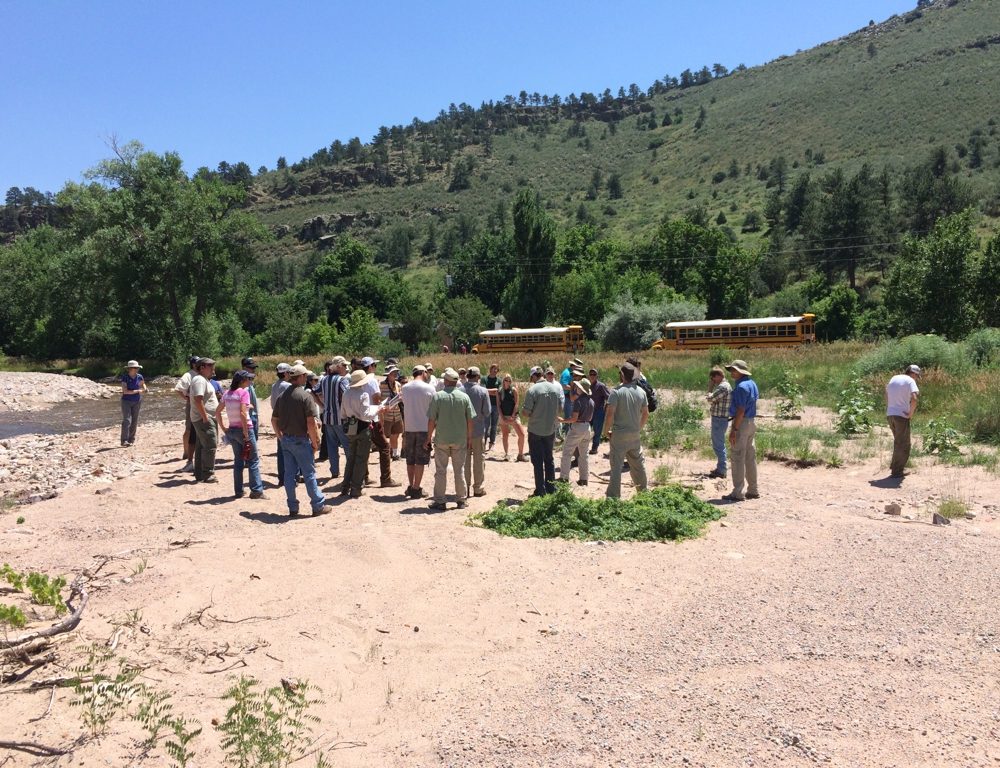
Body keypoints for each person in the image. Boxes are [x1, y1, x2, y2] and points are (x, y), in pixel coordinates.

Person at [271, 364, 333, 516]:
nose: (307, 378)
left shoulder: (282, 396)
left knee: (289, 474)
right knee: (309, 474)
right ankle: (317, 506)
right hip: (301, 439)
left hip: (286, 439)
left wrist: (280, 436)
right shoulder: (305, 396)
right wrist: (315, 441)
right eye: (305, 376)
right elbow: (311, 422)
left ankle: (293, 507)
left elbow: (274, 420)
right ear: (300, 377)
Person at [425, 367, 475, 510]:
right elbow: (470, 420)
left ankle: (440, 500)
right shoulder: (464, 397)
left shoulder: (438, 396)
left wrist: (428, 438)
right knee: (459, 470)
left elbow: (431, 420)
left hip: (442, 439)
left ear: (446, 381)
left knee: (441, 471)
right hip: (460, 439)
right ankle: (461, 500)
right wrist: (469, 438)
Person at [603, 362, 649, 499]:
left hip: (619, 435)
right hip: (634, 434)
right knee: (638, 465)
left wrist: (606, 431)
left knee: (616, 467)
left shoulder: (616, 392)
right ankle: (643, 494)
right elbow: (646, 413)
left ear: (622, 375)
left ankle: (613, 497)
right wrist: (638, 428)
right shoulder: (641, 392)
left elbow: (610, 414)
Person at [217, 369, 265, 500]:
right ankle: (256, 491)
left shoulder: (227, 393)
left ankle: (238, 491)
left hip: (232, 429)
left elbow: (217, 412)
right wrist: (245, 432)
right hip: (244, 429)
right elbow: (243, 414)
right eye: (248, 379)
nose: (250, 381)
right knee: (253, 460)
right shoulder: (243, 393)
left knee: (238, 461)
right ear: (242, 381)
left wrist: (224, 428)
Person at [340, 369, 384, 499]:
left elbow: (342, 412)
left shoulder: (346, 393)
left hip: (350, 426)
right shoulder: (363, 394)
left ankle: (345, 486)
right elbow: (365, 415)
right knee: (361, 459)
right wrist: (378, 410)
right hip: (362, 428)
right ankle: (356, 488)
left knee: (351, 458)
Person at [521, 365, 564, 497]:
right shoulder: (555, 388)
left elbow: (525, 413)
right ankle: (551, 488)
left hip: (535, 430)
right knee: (549, 459)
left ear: (534, 376)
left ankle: (540, 490)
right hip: (550, 429)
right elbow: (561, 409)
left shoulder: (532, 390)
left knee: (537, 461)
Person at [360, 356, 400, 488]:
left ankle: (364, 477)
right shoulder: (372, 381)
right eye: (374, 365)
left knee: (364, 449)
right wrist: (381, 418)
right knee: (384, 447)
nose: (375, 368)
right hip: (373, 418)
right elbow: (377, 401)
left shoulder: (358, 379)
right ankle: (386, 478)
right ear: (370, 367)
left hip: (361, 418)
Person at [723, 359, 760, 502]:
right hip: (751, 422)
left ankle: (737, 492)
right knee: (750, 457)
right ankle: (753, 490)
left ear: (740, 372)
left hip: (742, 423)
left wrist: (734, 429)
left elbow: (740, 411)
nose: (732, 372)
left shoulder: (741, 388)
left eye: (734, 370)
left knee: (737, 457)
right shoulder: (752, 384)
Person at [400, 364, 436, 499]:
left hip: (409, 428)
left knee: (410, 459)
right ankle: (416, 488)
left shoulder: (405, 388)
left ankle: (411, 485)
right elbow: (433, 409)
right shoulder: (429, 388)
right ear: (423, 372)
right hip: (423, 428)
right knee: (420, 460)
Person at [886, 364, 921, 479]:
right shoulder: (910, 381)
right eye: (917, 376)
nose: (916, 378)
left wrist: (890, 407)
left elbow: (886, 393)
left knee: (898, 442)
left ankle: (894, 467)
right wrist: (910, 414)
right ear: (914, 374)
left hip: (890, 414)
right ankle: (897, 472)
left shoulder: (894, 378)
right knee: (904, 444)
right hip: (901, 416)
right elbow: (915, 399)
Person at [189, 358, 221, 484]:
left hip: (205, 417)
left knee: (202, 445)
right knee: (210, 444)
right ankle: (208, 474)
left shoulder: (204, 380)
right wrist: (205, 417)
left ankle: (200, 474)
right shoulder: (199, 380)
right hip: (203, 418)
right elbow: (198, 399)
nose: (213, 369)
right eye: (210, 367)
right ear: (202, 367)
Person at [462, 366, 491, 498]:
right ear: (478, 377)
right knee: (479, 460)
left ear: (467, 376)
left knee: (464, 460)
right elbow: (487, 411)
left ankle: (465, 487)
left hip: (462, 432)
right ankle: (478, 488)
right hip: (478, 430)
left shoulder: (460, 390)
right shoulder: (483, 391)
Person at [318, 356, 349, 480]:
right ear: (339, 366)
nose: (346, 368)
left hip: (327, 417)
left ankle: (335, 471)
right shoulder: (342, 380)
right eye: (344, 366)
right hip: (340, 418)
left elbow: (313, 391)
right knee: (347, 446)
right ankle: (349, 472)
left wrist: (322, 405)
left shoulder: (324, 379)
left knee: (331, 446)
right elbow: (347, 395)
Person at [559, 378, 594, 486]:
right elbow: (591, 417)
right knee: (584, 454)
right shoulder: (591, 401)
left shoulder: (579, 401)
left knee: (567, 452)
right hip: (587, 427)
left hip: (577, 427)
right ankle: (584, 479)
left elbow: (574, 419)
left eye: (578, 387)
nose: (576, 388)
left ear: (581, 389)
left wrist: (563, 420)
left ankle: (564, 478)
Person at [174, 355, 201, 471]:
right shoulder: (188, 375)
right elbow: (178, 388)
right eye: (198, 363)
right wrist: (186, 398)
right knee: (189, 429)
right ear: (193, 364)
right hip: (192, 404)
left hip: (200, 403)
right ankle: (186, 451)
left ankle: (194, 451)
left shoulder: (201, 374)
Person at [706, 365, 732, 479]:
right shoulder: (724, 386)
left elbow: (710, 399)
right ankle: (721, 468)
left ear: (719, 376)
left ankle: (722, 470)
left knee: (718, 444)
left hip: (719, 419)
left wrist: (710, 389)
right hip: (720, 418)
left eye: (713, 378)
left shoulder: (723, 387)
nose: (713, 381)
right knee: (718, 444)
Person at [270, 362, 293, 487]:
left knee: (280, 448)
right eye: (289, 372)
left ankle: (282, 477)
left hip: (277, 418)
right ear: (285, 373)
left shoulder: (274, 385)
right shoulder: (287, 386)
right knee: (290, 448)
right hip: (286, 419)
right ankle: (290, 477)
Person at [497, 372, 526, 462]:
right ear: (503, 381)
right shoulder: (499, 391)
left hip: (513, 415)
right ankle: (506, 454)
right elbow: (498, 405)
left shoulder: (513, 390)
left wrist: (513, 415)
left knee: (521, 434)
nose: (508, 382)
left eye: (510, 380)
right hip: (503, 415)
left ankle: (520, 454)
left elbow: (516, 403)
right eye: (506, 380)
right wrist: (502, 417)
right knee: (505, 435)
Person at [120, 360, 147, 447]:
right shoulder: (125, 377)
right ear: (130, 369)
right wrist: (138, 391)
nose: (137, 369)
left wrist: (145, 388)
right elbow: (125, 391)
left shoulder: (139, 376)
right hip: (126, 401)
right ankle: (124, 440)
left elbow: (143, 384)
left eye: (137, 368)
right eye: (135, 368)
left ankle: (131, 439)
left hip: (137, 401)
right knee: (127, 420)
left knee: (134, 420)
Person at [380, 364, 404, 459]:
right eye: (393, 373)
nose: (395, 374)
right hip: (386, 415)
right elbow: (378, 399)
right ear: (388, 374)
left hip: (397, 414)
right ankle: (387, 452)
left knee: (396, 434)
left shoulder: (398, 385)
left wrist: (401, 398)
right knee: (385, 436)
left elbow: (400, 397)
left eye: (396, 372)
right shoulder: (381, 385)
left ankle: (394, 453)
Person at [588, 368, 611, 455]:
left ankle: (594, 448)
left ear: (597, 376)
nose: (592, 376)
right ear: (588, 376)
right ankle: (585, 447)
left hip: (598, 411)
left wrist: (605, 408)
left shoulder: (601, 386)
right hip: (588, 412)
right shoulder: (587, 385)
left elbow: (609, 397)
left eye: (594, 374)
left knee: (597, 431)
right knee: (586, 430)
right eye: (591, 374)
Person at [240, 357, 261, 440]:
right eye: (251, 368)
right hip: (248, 416)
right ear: (244, 368)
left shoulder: (250, 380)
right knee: (251, 441)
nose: (253, 370)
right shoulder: (242, 381)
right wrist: (248, 405)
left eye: (254, 368)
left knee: (254, 439)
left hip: (254, 414)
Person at [483, 363, 501, 451]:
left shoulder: (499, 380)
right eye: (493, 368)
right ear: (490, 369)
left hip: (496, 405)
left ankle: (492, 443)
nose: (495, 370)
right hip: (486, 404)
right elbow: (483, 390)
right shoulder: (484, 379)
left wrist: (489, 391)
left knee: (494, 425)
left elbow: (500, 392)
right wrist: (495, 391)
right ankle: (484, 443)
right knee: (486, 425)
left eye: (496, 369)